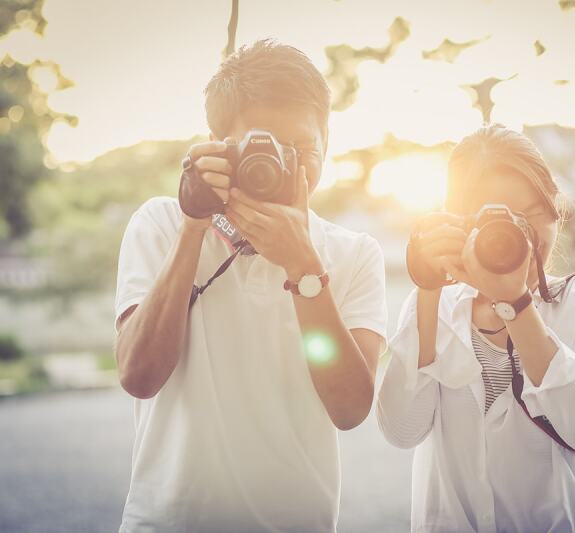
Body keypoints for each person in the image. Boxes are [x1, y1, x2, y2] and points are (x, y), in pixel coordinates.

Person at [113, 39, 387, 532]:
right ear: (217, 145)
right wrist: (193, 227)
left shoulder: (353, 253)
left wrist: (304, 269)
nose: (282, 164)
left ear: (327, 141)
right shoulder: (161, 224)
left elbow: (349, 409)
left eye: (302, 149)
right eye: (263, 145)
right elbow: (139, 376)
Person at [377, 124, 575, 532]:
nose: (516, 234)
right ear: (457, 223)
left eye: (529, 214)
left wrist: (516, 304)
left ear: (555, 207)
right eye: (492, 219)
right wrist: (428, 287)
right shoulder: (434, 305)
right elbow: (401, 430)